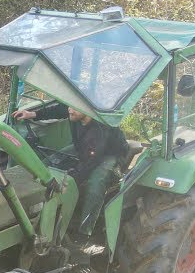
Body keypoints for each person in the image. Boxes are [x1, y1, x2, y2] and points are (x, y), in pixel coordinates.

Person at [11, 103, 128, 251]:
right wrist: (32, 114)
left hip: (109, 154)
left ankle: (85, 233)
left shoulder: (100, 130)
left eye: (73, 108)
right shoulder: (74, 110)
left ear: (87, 110)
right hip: (83, 146)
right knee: (47, 164)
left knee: (95, 184)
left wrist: (68, 183)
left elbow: (89, 164)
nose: (69, 110)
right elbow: (58, 109)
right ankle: (31, 208)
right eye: (69, 107)